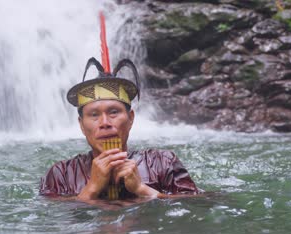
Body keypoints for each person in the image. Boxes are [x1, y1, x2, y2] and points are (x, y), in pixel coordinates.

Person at [39, 57, 199, 203]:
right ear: (81, 125)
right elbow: (49, 220)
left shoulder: (162, 164)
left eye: (113, 112)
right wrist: (91, 189)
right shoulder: (61, 174)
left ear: (131, 118)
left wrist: (142, 189)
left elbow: (197, 204)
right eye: (94, 115)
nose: (105, 123)